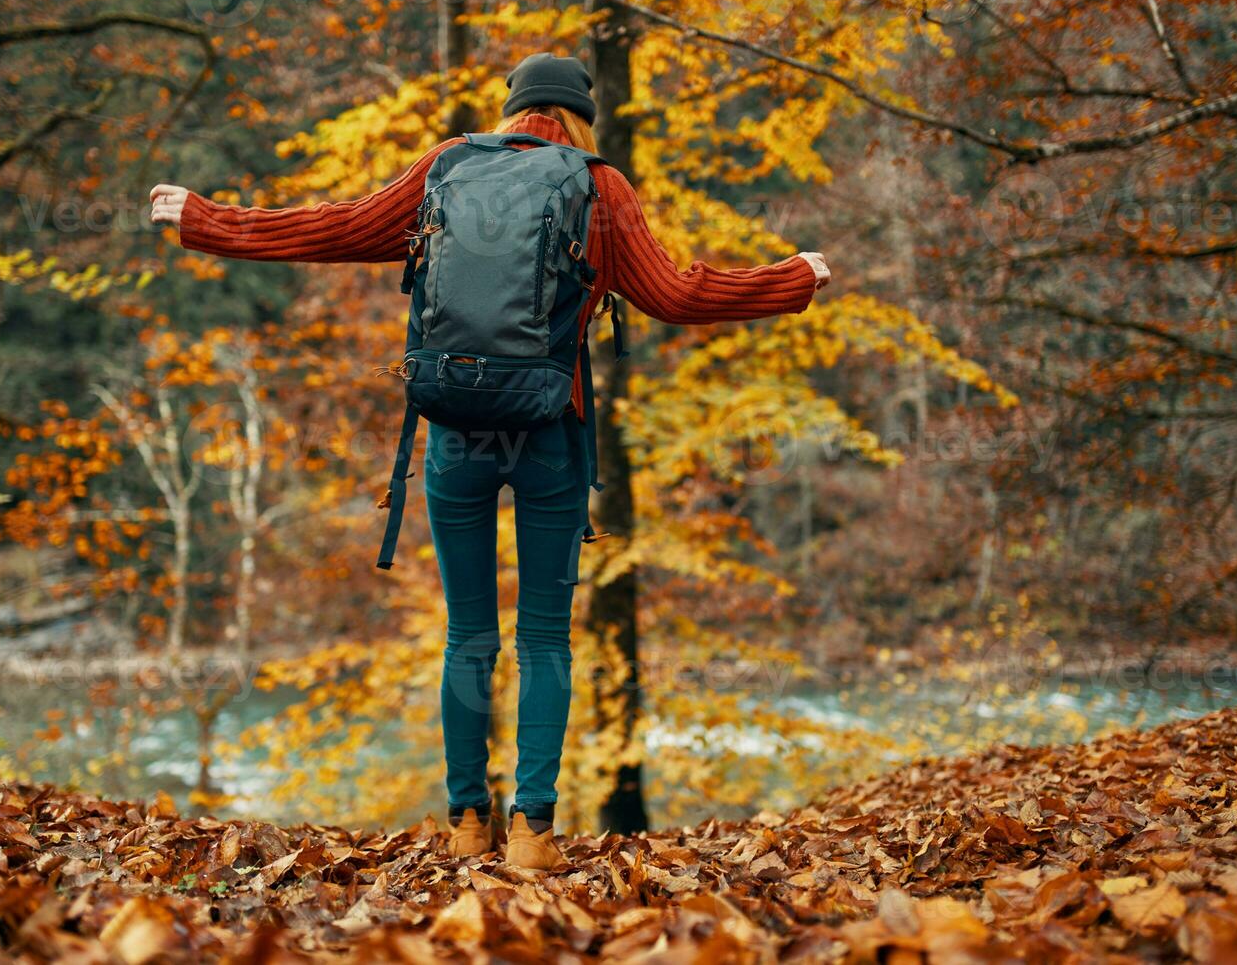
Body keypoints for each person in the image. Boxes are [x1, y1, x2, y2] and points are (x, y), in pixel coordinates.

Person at [150, 52, 829, 871]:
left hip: (457, 430)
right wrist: (792, 277)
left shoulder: (448, 167)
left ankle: (467, 820)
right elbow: (677, 296)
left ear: (510, 109)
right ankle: (532, 833)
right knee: (544, 639)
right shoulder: (597, 186)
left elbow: (335, 226)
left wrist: (205, 220)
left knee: (468, 636)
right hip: (551, 432)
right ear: (583, 118)